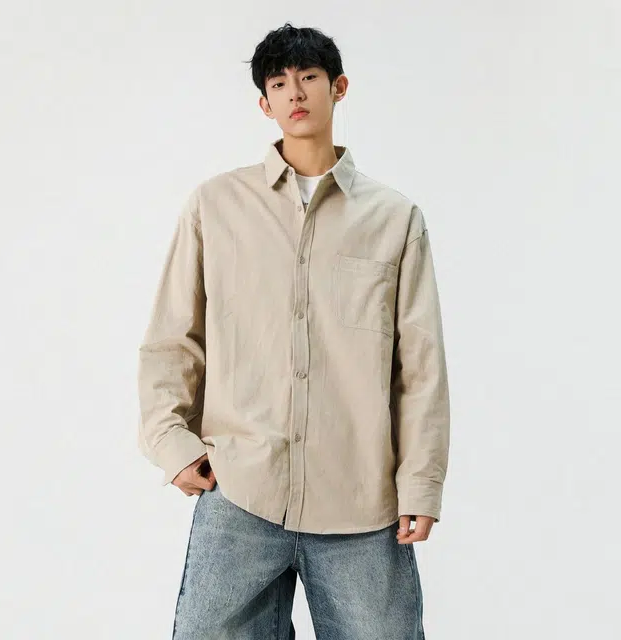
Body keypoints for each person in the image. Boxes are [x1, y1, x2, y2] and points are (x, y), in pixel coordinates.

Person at [137, 21, 450, 640]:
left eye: (308, 77)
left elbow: (419, 367)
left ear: (339, 87)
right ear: (265, 104)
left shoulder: (394, 219)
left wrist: (421, 482)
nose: (295, 93)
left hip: (361, 503)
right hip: (241, 490)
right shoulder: (214, 206)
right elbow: (174, 337)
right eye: (279, 84)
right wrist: (171, 443)